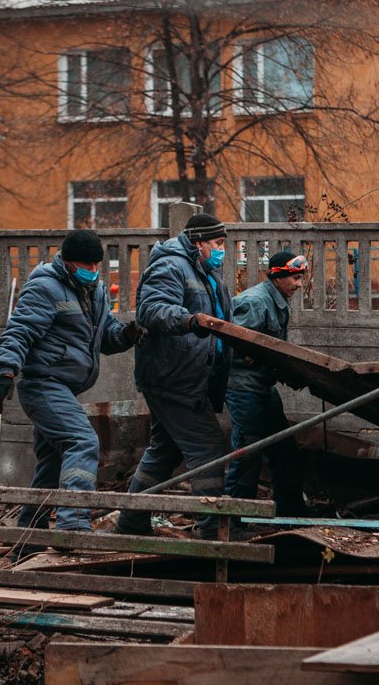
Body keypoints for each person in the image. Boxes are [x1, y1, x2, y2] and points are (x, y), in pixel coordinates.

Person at [0, 229, 144, 547]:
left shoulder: (97, 291)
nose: (91, 270)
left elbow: (104, 336)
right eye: (84, 265)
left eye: (96, 265)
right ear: (67, 261)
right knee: (83, 441)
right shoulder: (45, 286)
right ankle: (73, 527)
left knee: (51, 464)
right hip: (42, 385)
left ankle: (29, 539)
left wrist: (127, 335)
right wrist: (6, 371)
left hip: (64, 388)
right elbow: (20, 330)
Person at [115, 213, 233, 539]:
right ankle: (213, 531)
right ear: (198, 242)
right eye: (217, 243)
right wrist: (189, 320)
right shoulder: (170, 266)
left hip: (192, 375)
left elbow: (221, 318)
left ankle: (131, 523)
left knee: (163, 451)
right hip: (173, 376)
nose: (222, 249)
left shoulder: (209, 271)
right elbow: (152, 309)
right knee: (208, 448)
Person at [223, 250, 309, 516]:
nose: (299, 284)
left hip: (262, 386)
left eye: (301, 278)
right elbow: (233, 346)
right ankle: (234, 520)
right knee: (248, 452)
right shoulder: (255, 303)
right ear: (277, 276)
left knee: (283, 449)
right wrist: (271, 365)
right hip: (243, 387)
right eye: (294, 278)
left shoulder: (277, 300)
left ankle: (291, 513)